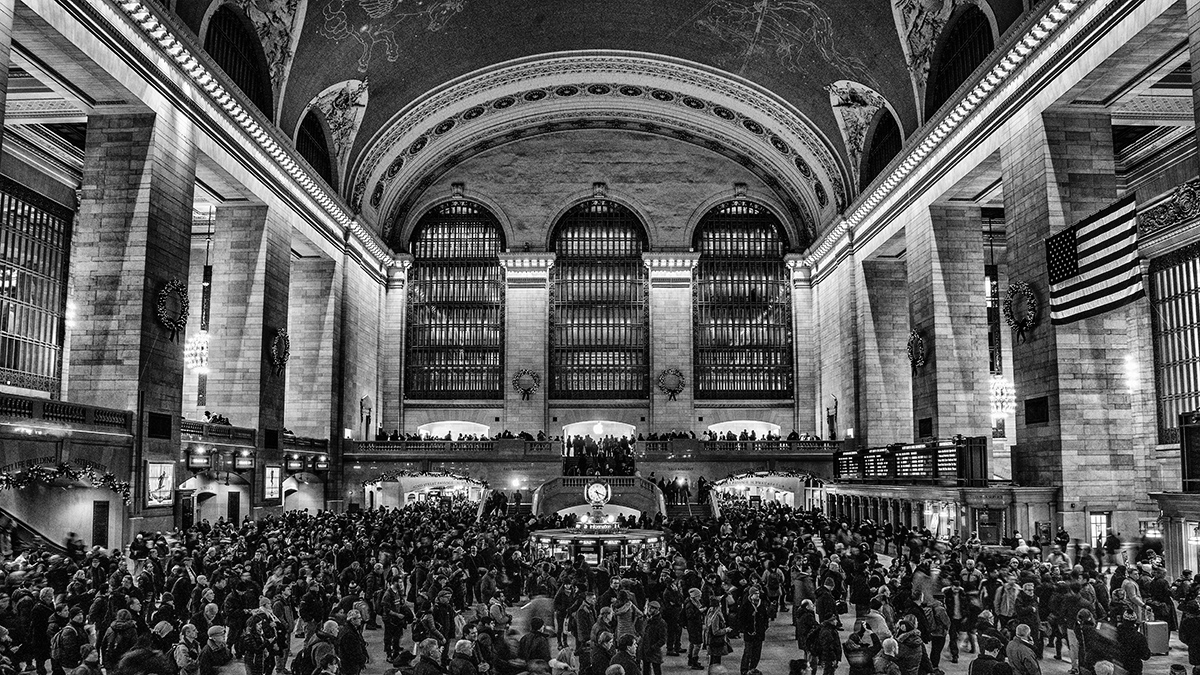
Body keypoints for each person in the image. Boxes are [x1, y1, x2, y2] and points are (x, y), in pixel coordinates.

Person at [739, 585, 770, 675]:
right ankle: (744, 670)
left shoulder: (761, 605)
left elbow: (765, 617)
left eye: (758, 593)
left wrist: (764, 627)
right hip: (749, 633)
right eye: (755, 594)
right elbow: (741, 618)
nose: (758, 595)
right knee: (747, 652)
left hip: (759, 634)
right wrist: (746, 629)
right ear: (751, 595)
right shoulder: (746, 605)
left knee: (757, 654)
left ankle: (753, 669)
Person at [638, 601, 667, 675]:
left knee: (657, 670)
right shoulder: (647, 620)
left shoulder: (661, 623)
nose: (649, 609)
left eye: (652, 608)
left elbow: (663, 639)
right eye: (649, 607)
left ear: (657, 610)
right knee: (646, 670)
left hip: (654, 651)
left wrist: (653, 648)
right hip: (645, 649)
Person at [338, 609, 369, 675]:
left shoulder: (353, 629)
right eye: (359, 618)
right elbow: (353, 652)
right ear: (352, 620)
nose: (361, 620)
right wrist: (363, 659)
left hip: (351, 664)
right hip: (350, 666)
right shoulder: (349, 634)